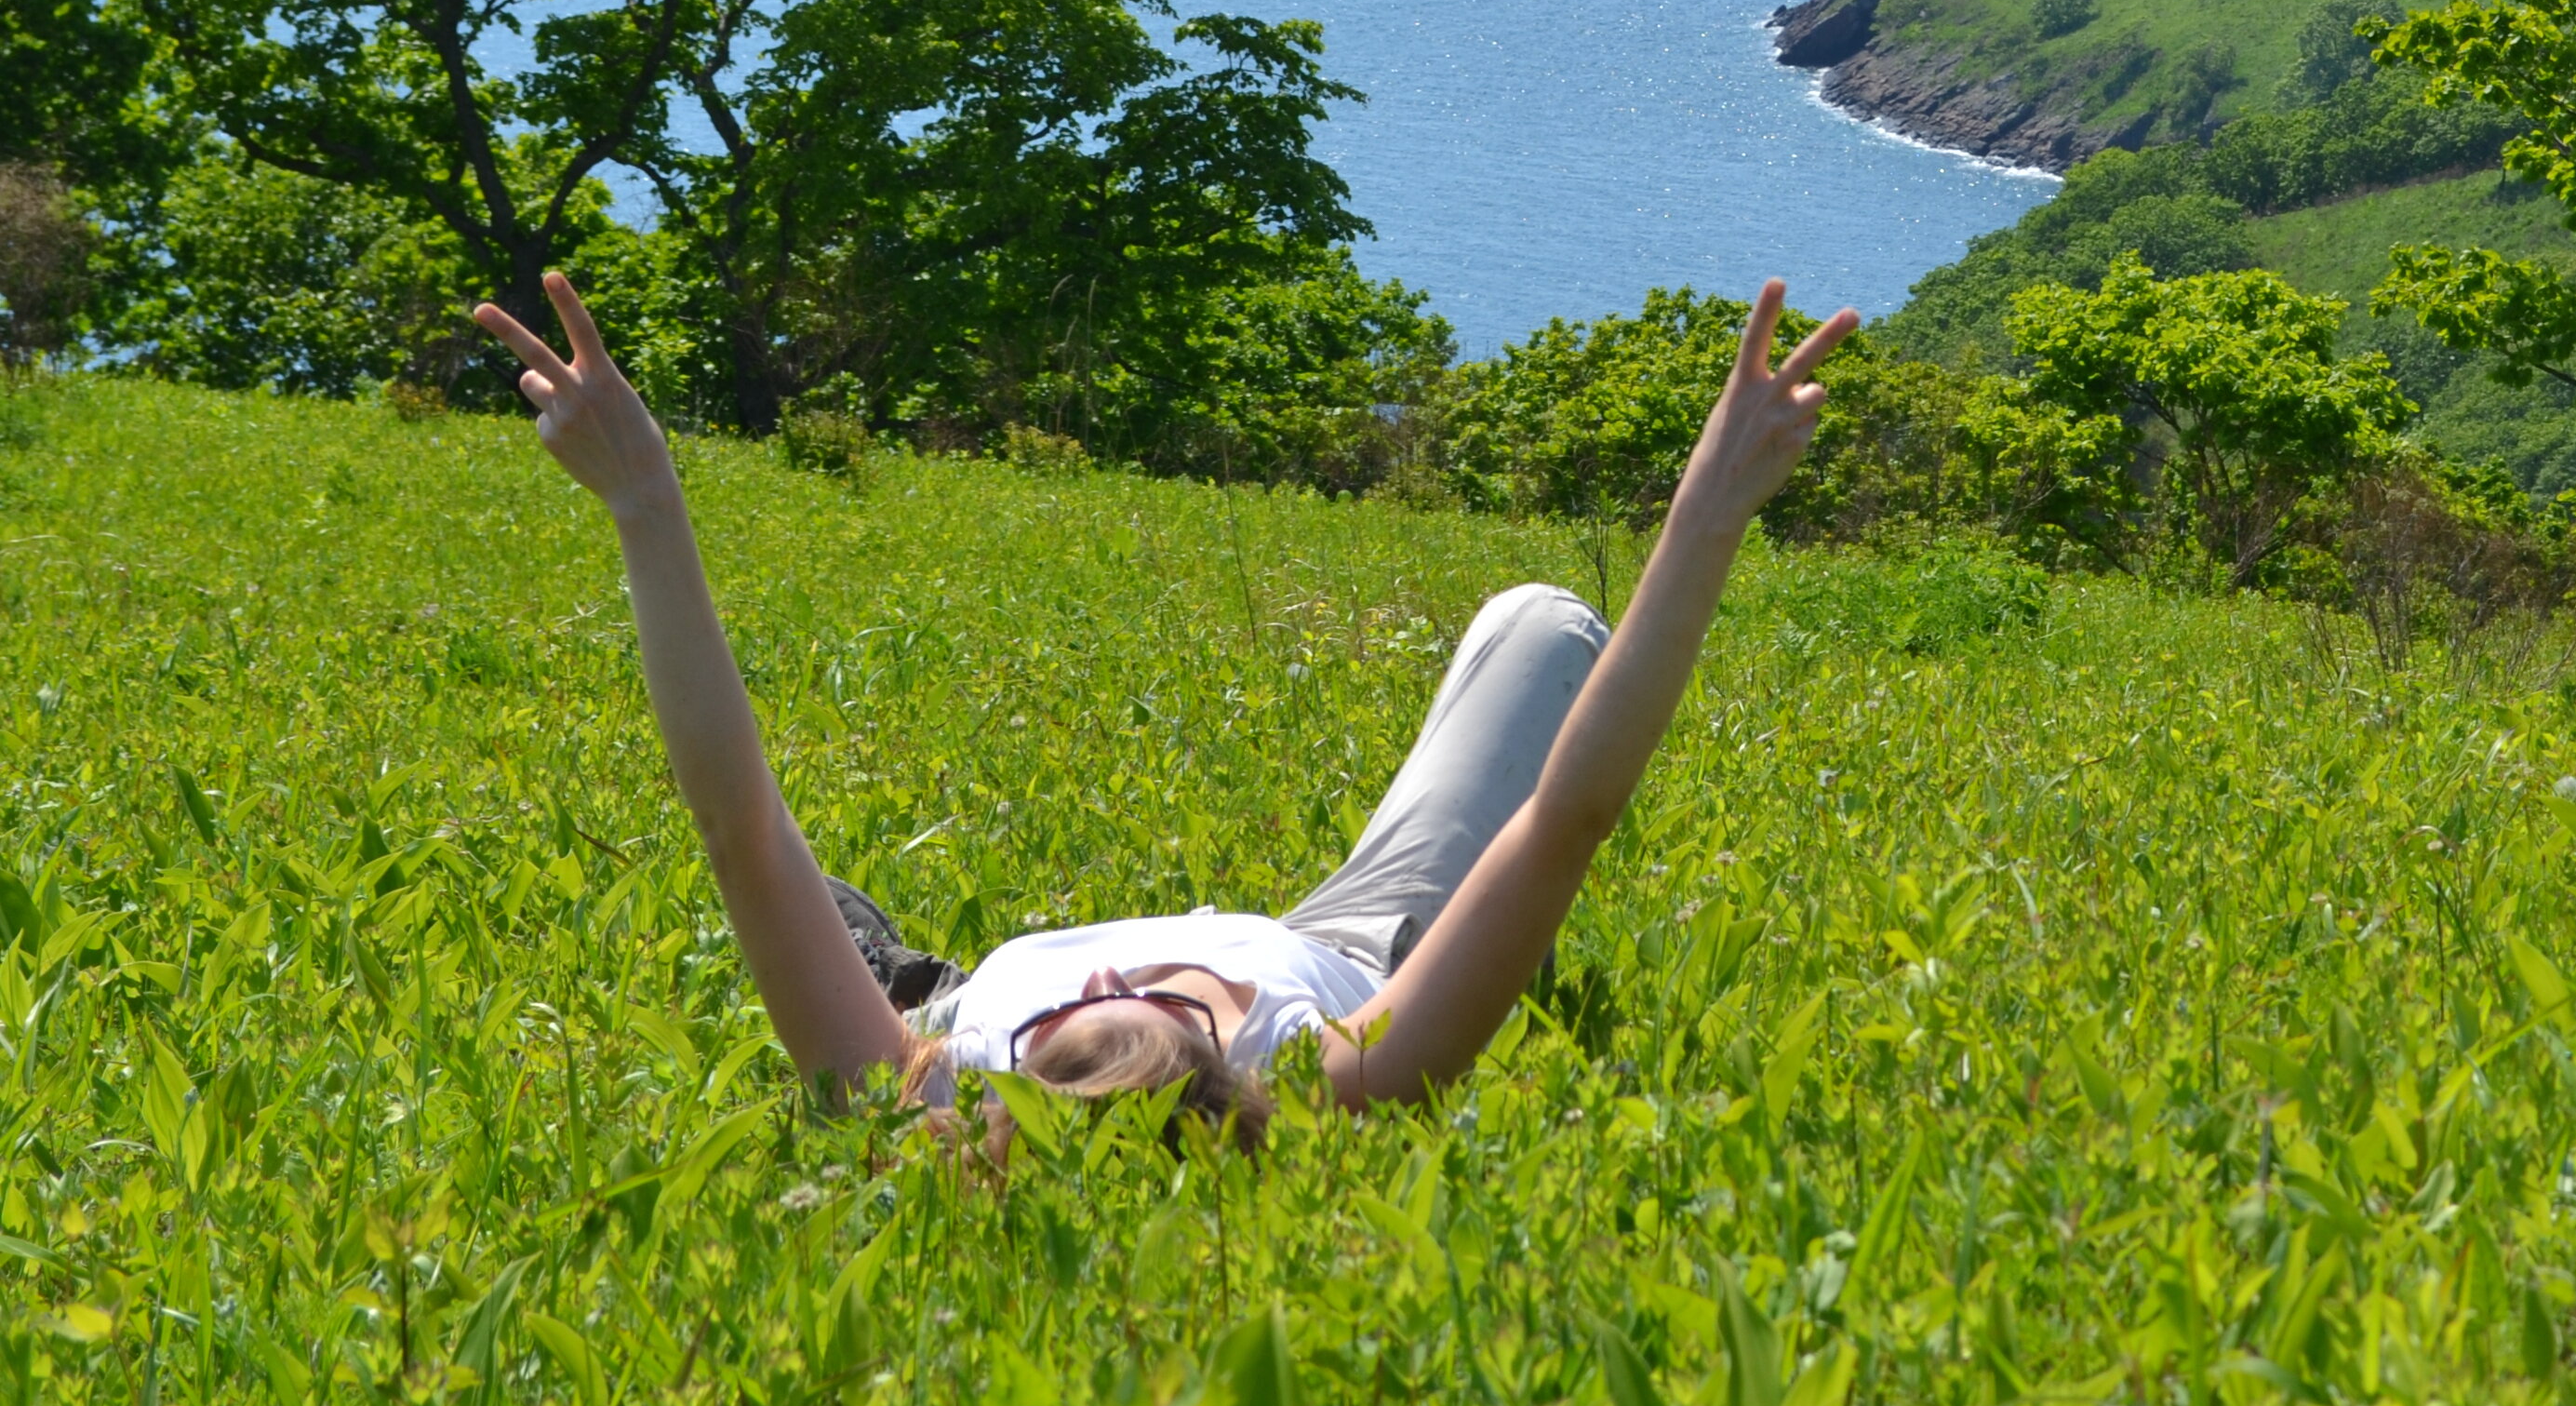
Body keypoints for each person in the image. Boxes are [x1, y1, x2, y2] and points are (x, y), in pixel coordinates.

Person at [471, 267, 1852, 1147]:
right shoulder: (1337, 1066)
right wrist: (1707, 515)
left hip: (929, 994)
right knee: (1545, 625)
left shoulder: (940, 1070)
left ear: (1008, 1075)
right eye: (1144, 999)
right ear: (1229, 1062)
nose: (1109, 966)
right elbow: (1570, 816)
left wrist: (645, 504)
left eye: (1067, 1018)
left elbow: (736, 824)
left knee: (775, 879)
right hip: (1351, 940)